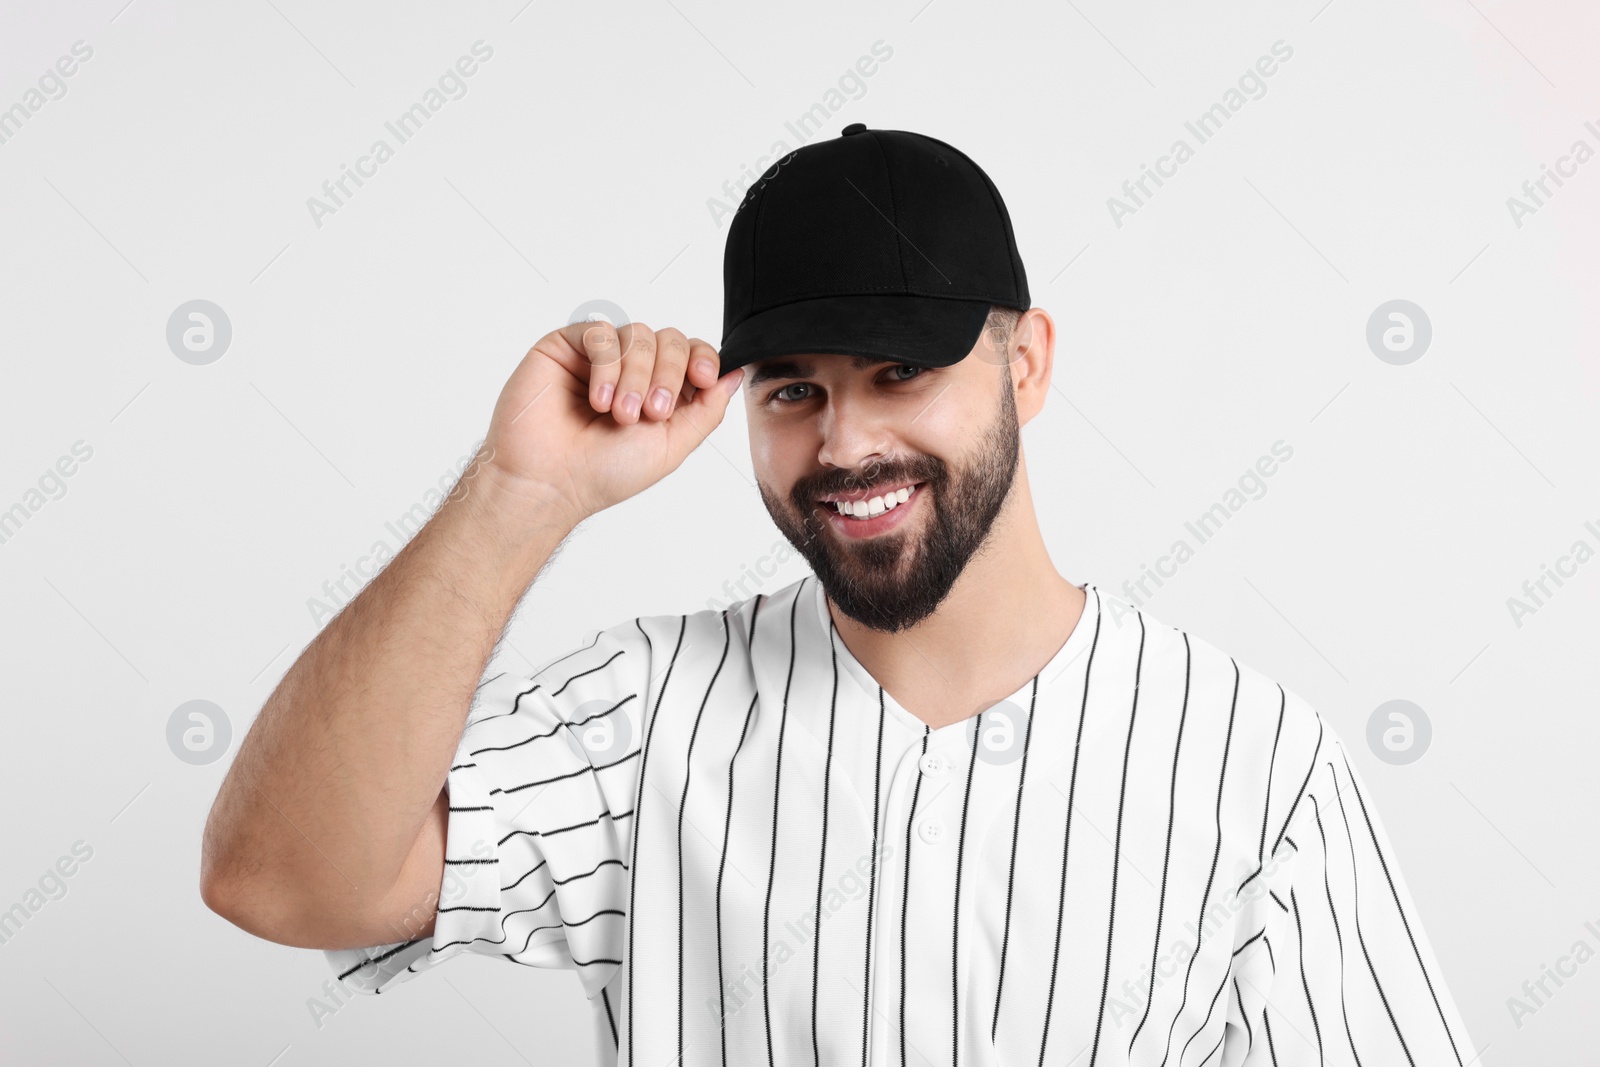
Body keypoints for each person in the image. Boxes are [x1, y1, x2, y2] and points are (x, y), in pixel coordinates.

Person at [200, 125, 1475, 1066]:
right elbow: (281, 878)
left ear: (1023, 362)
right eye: (793, 387)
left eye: (899, 367)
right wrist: (517, 491)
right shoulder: (643, 710)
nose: (845, 441)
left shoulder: (1249, 758)